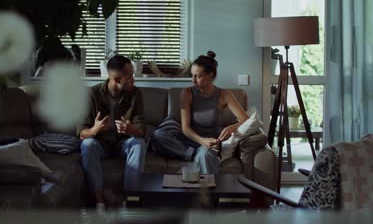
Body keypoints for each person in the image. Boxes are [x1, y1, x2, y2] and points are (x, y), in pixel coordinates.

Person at [151, 51, 248, 174]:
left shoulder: (224, 94)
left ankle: (208, 192)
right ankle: (191, 155)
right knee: (157, 135)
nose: (193, 80)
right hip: (188, 141)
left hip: (209, 144)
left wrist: (231, 127)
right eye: (192, 75)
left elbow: (245, 119)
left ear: (210, 75)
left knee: (205, 155)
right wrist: (201, 140)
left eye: (197, 76)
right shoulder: (187, 93)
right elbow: (185, 128)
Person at [77, 54, 146, 212]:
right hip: (100, 144)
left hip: (123, 143)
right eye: (130, 77)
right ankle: (99, 202)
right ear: (116, 79)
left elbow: (141, 130)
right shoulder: (91, 94)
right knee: (88, 144)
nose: (133, 80)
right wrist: (95, 130)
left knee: (139, 144)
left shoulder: (136, 94)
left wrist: (130, 130)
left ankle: (130, 201)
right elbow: (81, 132)